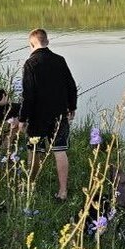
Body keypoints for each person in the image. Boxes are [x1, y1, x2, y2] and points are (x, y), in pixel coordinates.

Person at [19, 28, 78, 201]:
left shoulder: (30, 63)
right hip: (59, 113)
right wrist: (72, 107)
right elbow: (71, 86)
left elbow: (28, 95)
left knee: (34, 150)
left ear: (31, 44)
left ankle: (31, 184)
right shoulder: (60, 60)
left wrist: (23, 118)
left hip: (37, 116)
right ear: (47, 41)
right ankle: (63, 191)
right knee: (60, 151)